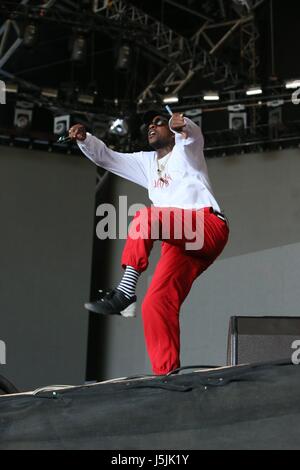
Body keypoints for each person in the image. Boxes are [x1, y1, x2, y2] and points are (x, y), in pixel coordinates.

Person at [68, 111, 229, 375]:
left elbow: (193, 135)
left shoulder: (186, 151)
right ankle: (166, 377)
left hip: (206, 227)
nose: (151, 127)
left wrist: (183, 124)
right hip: (180, 243)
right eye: (148, 125)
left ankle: (124, 292)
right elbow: (107, 157)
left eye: (158, 122)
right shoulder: (146, 162)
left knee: (146, 216)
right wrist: (85, 140)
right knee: (156, 302)